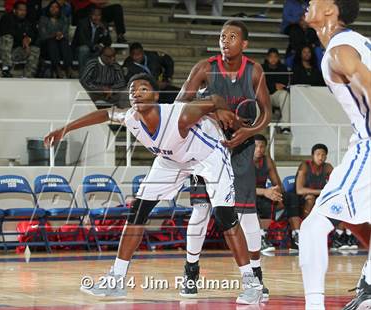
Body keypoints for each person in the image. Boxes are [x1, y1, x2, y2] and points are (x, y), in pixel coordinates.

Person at [44, 73, 264, 304]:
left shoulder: (178, 115)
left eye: (143, 90)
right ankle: (117, 279)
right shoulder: (131, 117)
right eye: (132, 91)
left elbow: (215, 97)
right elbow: (105, 113)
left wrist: (219, 109)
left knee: (224, 215)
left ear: (156, 96)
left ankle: (252, 283)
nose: (136, 93)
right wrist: (65, 129)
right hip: (170, 161)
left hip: (208, 155)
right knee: (137, 212)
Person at [175, 20, 272, 302]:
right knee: (201, 210)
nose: (225, 40)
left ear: (244, 44)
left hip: (241, 147)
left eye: (232, 37)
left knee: (247, 213)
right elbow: (181, 102)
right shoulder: (205, 68)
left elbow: (266, 113)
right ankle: (191, 273)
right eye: (221, 36)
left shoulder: (254, 71)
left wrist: (249, 132)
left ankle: (255, 276)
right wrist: (208, 112)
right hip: (207, 149)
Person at [299, 1, 371, 309]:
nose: (307, 4)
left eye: (315, 0)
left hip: (368, 144)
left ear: (331, 9)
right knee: (358, 224)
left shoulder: (340, 50)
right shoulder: (357, 42)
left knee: (313, 227)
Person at [253, 134, 301, 251]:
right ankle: (261, 237)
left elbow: (278, 184)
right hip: (246, 194)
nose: (259, 149)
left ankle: (296, 236)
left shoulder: (267, 160)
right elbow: (243, 188)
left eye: (262, 146)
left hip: (264, 192)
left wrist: (277, 194)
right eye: (256, 146)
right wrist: (266, 192)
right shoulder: (244, 161)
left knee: (291, 198)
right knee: (261, 200)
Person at [0, 1, 40, 78]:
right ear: (14, 10)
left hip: (12, 53)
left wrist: (29, 39)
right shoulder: (6, 17)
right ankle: (6, 69)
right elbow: (9, 33)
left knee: (35, 49)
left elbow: (34, 35)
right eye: (21, 10)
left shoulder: (27, 22)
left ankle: (28, 76)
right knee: (8, 38)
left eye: (25, 10)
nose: (23, 12)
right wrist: (23, 38)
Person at [295, 144, 333, 218]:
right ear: (312, 156)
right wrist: (322, 192)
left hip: (320, 194)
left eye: (323, 155)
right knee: (310, 198)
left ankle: (338, 228)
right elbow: (299, 190)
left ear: (326, 157)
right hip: (302, 196)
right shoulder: (304, 166)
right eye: (318, 154)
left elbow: (336, 183)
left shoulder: (327, 167)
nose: (320, 157)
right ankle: (305, 225)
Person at [72, 6, 112, 75]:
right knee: (84, 49)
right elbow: (81, 40)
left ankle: (99, 75)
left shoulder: (103, 25)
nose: (96, 17)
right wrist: (94, 46)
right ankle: (83, 74)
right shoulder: (82, 23)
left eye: (98, 15)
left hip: (95, 50)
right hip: (79, 49)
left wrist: (105, 31)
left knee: (105, 50)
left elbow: (108, 42)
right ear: (90, 15)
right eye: (94, 15)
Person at [38, 0, 73, 78]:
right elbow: (43, 36)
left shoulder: (63, 19)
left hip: (61, 47)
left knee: (64, 41)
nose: (54, 9)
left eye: (56, 7)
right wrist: (54, 35)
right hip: (46, 47)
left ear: (59, 9)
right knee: (52, 41)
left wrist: (61, 35)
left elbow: (66, 34)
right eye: (52, 7)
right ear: (48, 8)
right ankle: (57, 67)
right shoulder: (43, 19)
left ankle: (68, 67)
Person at [262, 48, 291, 134]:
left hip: (275, 95)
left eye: (275, 57)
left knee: (284, 94)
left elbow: (283, 85)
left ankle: (285, 127)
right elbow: (259, 84)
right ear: (267, 58)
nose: (273, 59)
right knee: (256, 96)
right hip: (263, 95)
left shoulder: (283, 68)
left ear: (278, 58)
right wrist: (274, 86)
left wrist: (272, 87)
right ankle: (259, 126)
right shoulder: (261, 68)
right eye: (271, 57)